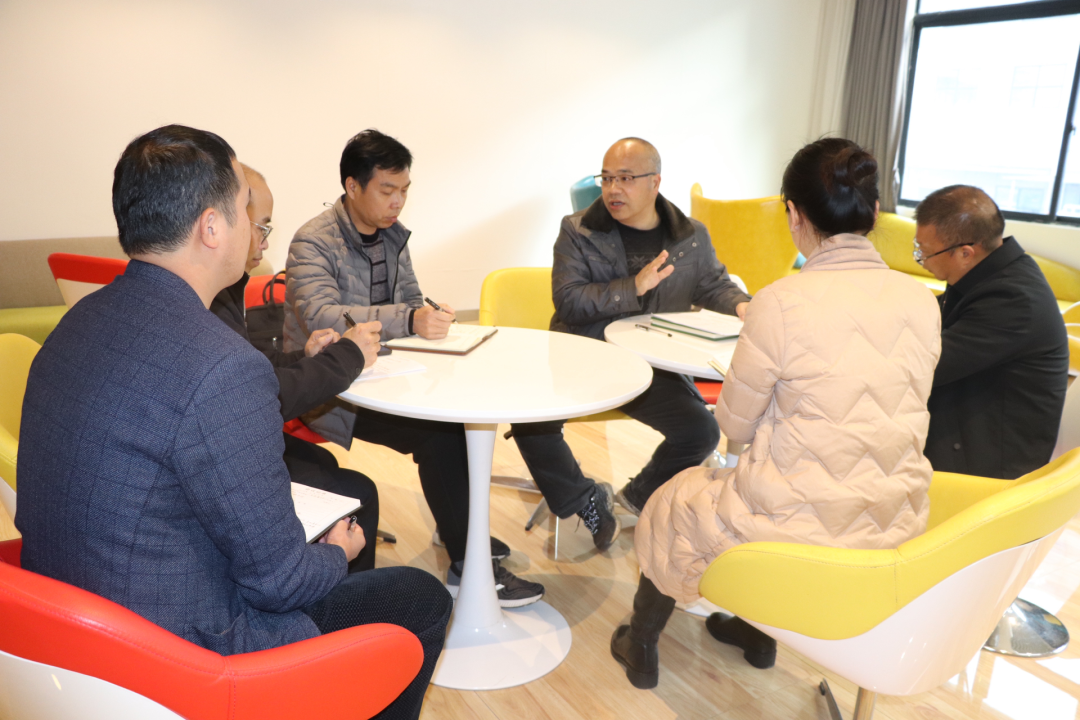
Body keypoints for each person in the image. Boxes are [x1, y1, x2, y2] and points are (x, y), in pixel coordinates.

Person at [15, 125, 451, 719]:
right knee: (419, 596)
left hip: (62, 638)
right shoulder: (221, 366)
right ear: (212, 227)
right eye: (247, 209)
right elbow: (282, 583)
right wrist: (338, 552)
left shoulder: (78, 323)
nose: (255, 229)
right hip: (178, 661)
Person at [611, 138, 942, 689]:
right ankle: (757, 633)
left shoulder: (782, 302)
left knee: (675, 500)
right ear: (875, 211)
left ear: (793, 214)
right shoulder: (922, 301)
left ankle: (641, 642)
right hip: (895, 519)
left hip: (800, 528)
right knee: (761, 489)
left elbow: (734, 427)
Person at [284, 129, 543, 605]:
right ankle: (469, 565)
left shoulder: (393, 236)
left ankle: (457, 525)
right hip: (331, 388)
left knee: (456, 417)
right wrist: (408, 319)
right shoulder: (312, 241)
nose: (398, 202)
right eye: (387, 190)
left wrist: (430, 314)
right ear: (352, 186)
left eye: (404, 190)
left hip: (389, 374)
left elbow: (410, 300)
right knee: (438, 436)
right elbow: (324, 317)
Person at [509, 137, 752, 551]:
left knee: (700, 431)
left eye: (625, 178)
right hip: (585, 354)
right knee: (529, 420)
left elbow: (712, 284)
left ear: (655, 182)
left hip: (651, 363)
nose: (613, 189)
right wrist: (633, 287)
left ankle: (635, 498)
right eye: (606, 179)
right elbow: (569, 301)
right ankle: (585, 501)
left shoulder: (690, 236)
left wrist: (742, 304)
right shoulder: (578, 230)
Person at [209, 164, 383, 571]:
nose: (266, 241)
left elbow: (251, 371)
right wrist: (350, 354)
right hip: (233, 461)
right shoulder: (214, 296)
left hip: (238, 441)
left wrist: (303, 356)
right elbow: (263, 395)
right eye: (262, 227)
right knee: (360, 493)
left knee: (323, 464)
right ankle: (338, 599)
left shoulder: (223, 289)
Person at [913, 185, 1068, 479]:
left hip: (993, 461)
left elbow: (928, 367)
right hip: (971, 409)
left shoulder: (1014, 299)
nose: (921, 258)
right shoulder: (986, 271)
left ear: (965, 253)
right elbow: (934, 315)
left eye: (925, 252)